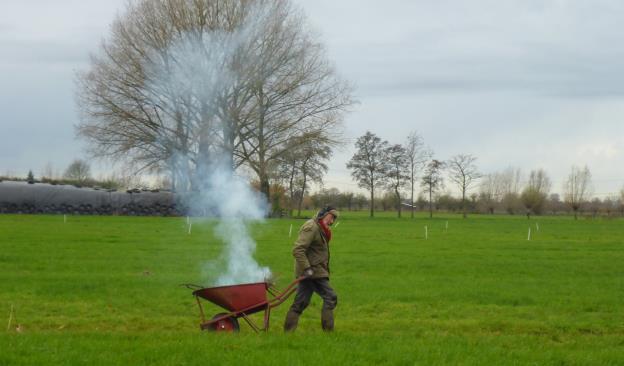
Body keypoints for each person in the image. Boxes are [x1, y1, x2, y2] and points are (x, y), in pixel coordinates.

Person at [283, 206, 339, 332]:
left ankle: (287, 333)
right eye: (331, 217)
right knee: (331, 297)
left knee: (301, 302)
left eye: (334, 219)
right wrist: (307, 269)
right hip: (313, 272)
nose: (332, 222)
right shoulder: (312, 227)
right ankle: (329, 333)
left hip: (314, 271)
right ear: (323, 214)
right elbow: (298, 250)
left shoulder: (320, 227)